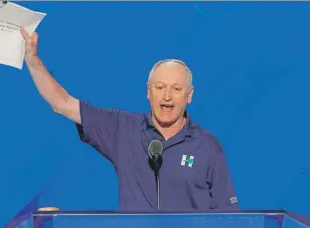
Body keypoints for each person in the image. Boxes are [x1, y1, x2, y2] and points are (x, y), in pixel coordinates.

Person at [20, 27, 239, 212]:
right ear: (148, 92)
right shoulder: (124, 129)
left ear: (189, 95)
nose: (167, 96)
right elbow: (63, 103)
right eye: (160, 87)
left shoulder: (208, 146)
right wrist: (32, 60)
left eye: (176, 89)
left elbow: (229, 217)